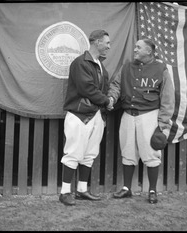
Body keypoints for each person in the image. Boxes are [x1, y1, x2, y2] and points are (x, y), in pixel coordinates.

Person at [108, 38, 174, 204]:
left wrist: (163, 124)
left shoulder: (161, 69)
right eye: (135, 46)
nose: (135, 50)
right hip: (128, 114)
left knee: (151, 153)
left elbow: (167, 98)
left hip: (149, 115)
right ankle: (127, 188)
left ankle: (152, 190)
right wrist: (111, 97)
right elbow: (116, 85)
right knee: (128, 152)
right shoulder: (127, 67)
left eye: (139, 47)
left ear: (149, 51)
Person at [59, 29, 114, 206]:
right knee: (73, 152)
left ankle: (82, 190)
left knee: (89, 153)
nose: (109, 46)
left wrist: (108, 101)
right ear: (97, 42)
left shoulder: (99, 64)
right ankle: (65, 192)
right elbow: (87, 89)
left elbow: (101, 89)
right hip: (79, 114)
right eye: (107, 42)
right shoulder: (80, 63)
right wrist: (107, 101)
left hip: (96, 114)